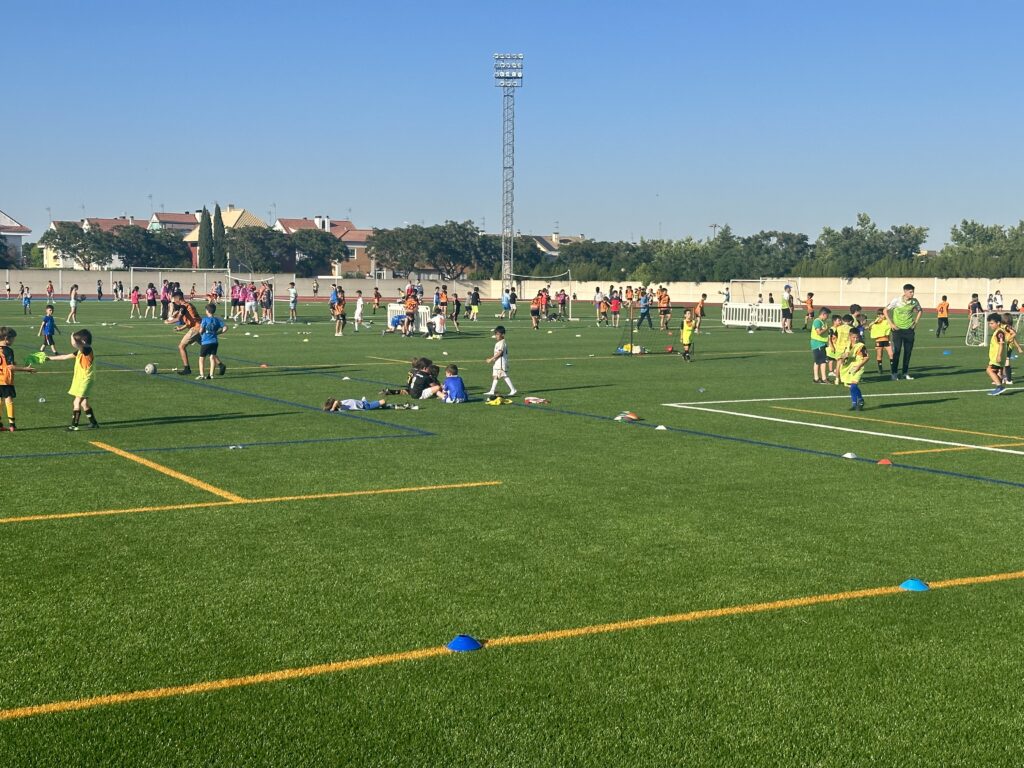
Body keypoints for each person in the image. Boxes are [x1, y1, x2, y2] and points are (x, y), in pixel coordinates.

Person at [47, 328, 98, 430]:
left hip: (86, 380)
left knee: (76, 402)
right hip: (80, 379)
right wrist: (48, 358)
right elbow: (64, 357)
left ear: (82, 342)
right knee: (84, 403)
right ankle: (94, 423)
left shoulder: (87, 350)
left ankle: (74, 425)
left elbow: (76, 344)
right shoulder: (80, 351)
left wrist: (72, 336)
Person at [0, 327, 38, 432]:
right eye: (13, 339)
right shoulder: (8, 350)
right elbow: (10, 367)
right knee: (8, 400)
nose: (13, 341)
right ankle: (12, 425)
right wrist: (26, 369)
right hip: (6, 380)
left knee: (0, 401)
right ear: (6, 338)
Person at [883, 283, 923, 381]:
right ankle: (894, 373)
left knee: (908, 352)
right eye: (910, 292)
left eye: (913, 292)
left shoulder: (914, 301)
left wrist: (916, 322)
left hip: (909, 330)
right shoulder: (896, 301)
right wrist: (891, 324)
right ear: (905, 292)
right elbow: (885, 311)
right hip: (897, 330)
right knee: (897, 352)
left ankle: (905, 373)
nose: (912, 294)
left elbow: (920, 310)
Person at [166, 290, 202, 376]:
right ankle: (220, 364)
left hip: (195, 329)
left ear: (178, 298)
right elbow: (191, 320)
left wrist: (168, 322)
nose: (174, 301)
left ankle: (187, 368)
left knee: (181, 346)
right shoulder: (189, 305)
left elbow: (178, 319)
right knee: (205, 347)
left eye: (174, 299)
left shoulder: (183, 307)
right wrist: (181, 328)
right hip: (200, 327)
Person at [840, 328, 869, 410]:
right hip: (849, 368)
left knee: (853, 385)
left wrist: (859, 366)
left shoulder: (861, 346)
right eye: (853, 337)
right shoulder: (847, 345)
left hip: (858, 367)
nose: (855, 339)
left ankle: (860, 400)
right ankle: (854, 404)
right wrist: (843, 358)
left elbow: (867, 357)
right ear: (850, 336)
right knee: (851, 387)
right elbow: (842, 358)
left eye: (857, 337)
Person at [196, 303, 227, 380]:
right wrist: (218, 333)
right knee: (212, 357)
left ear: (207, 311)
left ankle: (202, 375)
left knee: (201, 358)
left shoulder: (205, 319)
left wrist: (200, 333)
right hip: (214, 341)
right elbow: (225, 328)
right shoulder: (217, 320)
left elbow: (201, 330)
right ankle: (211, 375)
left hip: (206, 341)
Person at [484, 325, 516, 397]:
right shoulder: (498, 342)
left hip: (501, 362)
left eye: (498, 334)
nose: (496, 336)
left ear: (502, 334)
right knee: (495, 376)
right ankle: (492, 391)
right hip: (497, 362)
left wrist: (491, 359)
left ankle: (513, 389)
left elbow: (500, 353)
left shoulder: (502, 342)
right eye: (496, 334)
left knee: (504, 375)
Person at [986, 314, 1008, 396]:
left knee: (989, 370)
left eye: (992, 323)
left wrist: (999, 355)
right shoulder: (997, 331)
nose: (990, 325)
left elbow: (1001, 344)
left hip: (997, 357)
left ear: (998, 323)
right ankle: (999, 386)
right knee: (994, 372)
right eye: (989, 323)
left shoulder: (999, 332)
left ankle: (1000, 387)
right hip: (995, 357)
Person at [809, 307, 831, 384]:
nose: (828, 317)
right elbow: (819, 332)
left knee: (817, 361)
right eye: (827, 315)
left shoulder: (822, 322)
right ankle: (824, 378)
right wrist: (826, 329)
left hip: (820, 343)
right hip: (818, 343)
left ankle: (816, 378)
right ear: (823, 314)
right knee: (823, 361)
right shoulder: (817, 321)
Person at [868, 309, 893, 374]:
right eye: (883, 314)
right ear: (879, 315)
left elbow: (889, 328)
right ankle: (880, 368)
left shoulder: (887, 321)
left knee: (891, 354)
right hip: (879, 340)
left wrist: (890, 340)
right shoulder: (875, 322)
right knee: (879, 355)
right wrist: (874, 323)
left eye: (884, 314)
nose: (884, 315)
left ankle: (893, 368)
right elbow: (870, 328)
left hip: (887, 340)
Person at [1000, 312, 1022, 385]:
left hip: (1007, 346)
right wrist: (1018, 347)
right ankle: (1003, 378)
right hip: (1006, 346)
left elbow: (1014, 334)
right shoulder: (1004, 326)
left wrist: (1007, 339)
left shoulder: (1006, 327)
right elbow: (1014, 338)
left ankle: (1009, 380)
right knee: (1003, 362)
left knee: (1006, 361)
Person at [323, 397, 393, 411]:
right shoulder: (341, 406)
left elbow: (336, 402)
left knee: (383, 401)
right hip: (363, 404)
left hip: (364, 405)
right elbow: (335, 402)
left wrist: (332, 409)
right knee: (382, 402)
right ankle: (383, 405)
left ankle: (384, 405)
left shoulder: (340, 406)